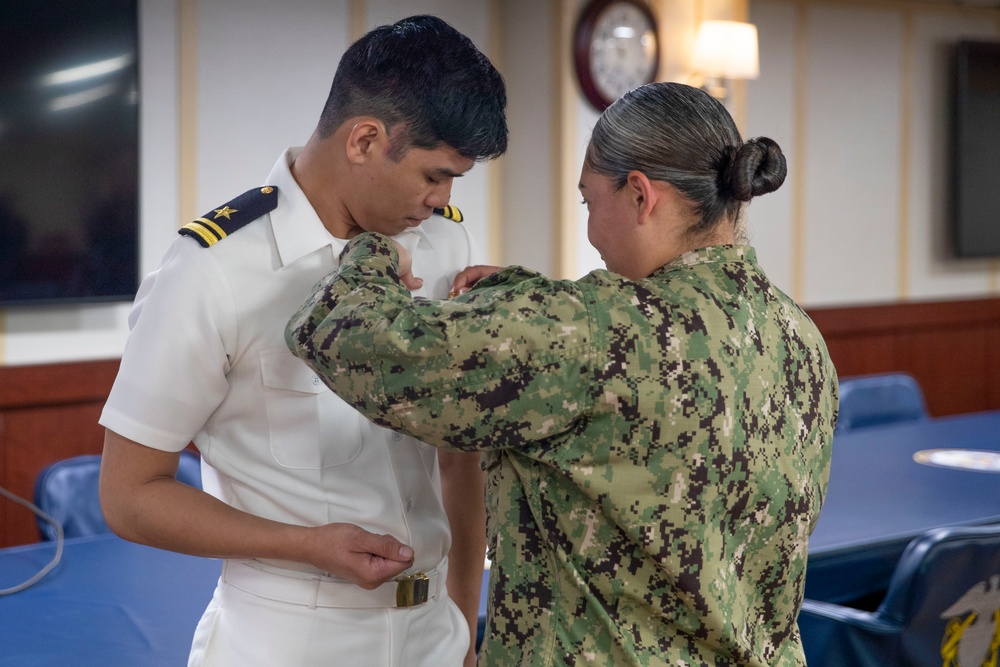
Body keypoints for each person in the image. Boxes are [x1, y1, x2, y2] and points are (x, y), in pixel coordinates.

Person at [285, 81, 839, 666]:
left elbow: (339, 332)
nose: (591, 229)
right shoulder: (799, 336)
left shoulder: (595, 332)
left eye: (588, 202)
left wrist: (372, 253)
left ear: (640, 196)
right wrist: (528, 301)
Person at [98, 15, 506, 667]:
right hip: (291, 631)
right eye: (433, 175)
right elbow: (127, 495)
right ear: (365, 140)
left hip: (433, 631)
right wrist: (307, 543)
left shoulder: (444, 243)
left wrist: (462, 618)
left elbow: (458, 453)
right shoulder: (214, 268)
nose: (442, 198)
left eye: (455, 180)